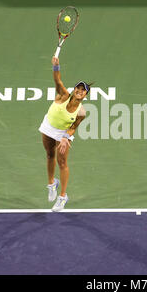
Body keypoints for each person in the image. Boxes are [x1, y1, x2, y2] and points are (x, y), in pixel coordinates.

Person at [38, 56, 91, 212]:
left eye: (83, 91)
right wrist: (56, 67)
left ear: (85, 95)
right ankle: (51, 183)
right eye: (78, 88)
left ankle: (62, 197)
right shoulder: (63, 95)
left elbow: (73, 126)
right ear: (74, 90)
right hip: (48, 125)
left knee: (62, 163)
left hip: (63, 133)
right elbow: (57, 81)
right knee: (49, 154)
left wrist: (65, 137)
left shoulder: (81, 112)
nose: (80, 91)